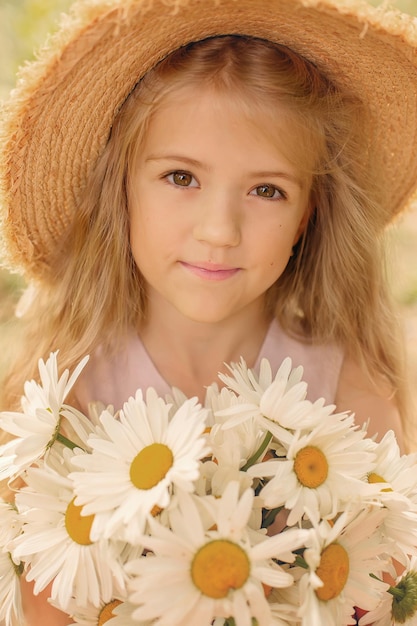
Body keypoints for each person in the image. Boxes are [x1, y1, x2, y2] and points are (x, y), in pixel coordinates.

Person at [0, 0, 417, 623]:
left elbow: (374, 594)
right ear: (121, 187)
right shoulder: (62, 407)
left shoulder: (346, 399)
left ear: (306, 215)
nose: (220, 230)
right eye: (181, 177)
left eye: (266, 190)